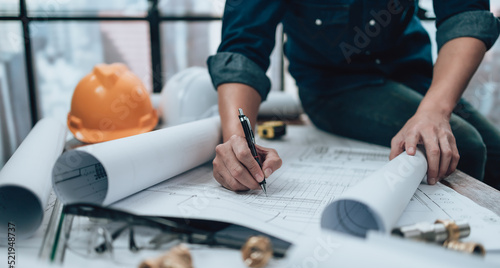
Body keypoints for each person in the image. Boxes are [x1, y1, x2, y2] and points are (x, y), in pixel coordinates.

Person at [207, 0, 500, 191]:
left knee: (495, 150)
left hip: (412, 73)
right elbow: (244, 45)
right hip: (335, 87)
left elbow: (465, 14)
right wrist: (238, 142)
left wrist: (434, 110)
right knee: (468, 146)